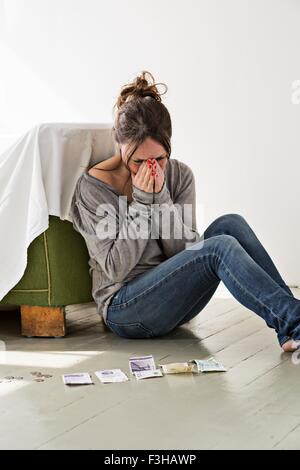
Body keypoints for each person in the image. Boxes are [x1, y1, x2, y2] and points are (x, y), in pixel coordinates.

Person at [70, 70, 300, 352]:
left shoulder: (180, 175)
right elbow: (115, 269)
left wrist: (160, 196)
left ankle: (291, 327)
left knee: (230, 224)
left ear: (169, 144)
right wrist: (143, 202)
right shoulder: (93, 187)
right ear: (119, 146)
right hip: (125, 309)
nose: (149, 168)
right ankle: (296, 322)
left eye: (159, 159)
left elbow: (181, 254)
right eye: (138, 161)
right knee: (219, 247)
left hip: (177, 299)